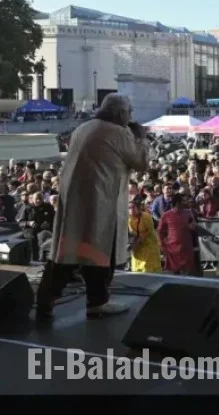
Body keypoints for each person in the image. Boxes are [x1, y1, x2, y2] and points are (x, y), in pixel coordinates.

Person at [36, 94, 150, 319]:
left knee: (66, 253)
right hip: (100, 202)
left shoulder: (83, 127)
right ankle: (97, 302)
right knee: (99, 250)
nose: (130, 116)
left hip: (75, 202)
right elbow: (141, 162)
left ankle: (44, 302)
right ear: (120, 114)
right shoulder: (118, 132)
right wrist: (141, 138)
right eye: (129, 112)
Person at [157, 193, 197, 275]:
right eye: (183, 201)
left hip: (186, 246)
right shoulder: (166, 215)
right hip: (173, 247)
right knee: (175, 272)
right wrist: (161, 244)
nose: (186, 202)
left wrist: (192, 225)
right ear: (178, 203)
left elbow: (193, 224)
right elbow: (160, 230)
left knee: (188, 271)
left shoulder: (189, 212)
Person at [128, 200, 161, 273]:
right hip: (137, 248)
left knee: (149, 269)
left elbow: (149, 231)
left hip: (149, 246)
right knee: (137, 270)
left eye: (133, 207)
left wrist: (138, 241)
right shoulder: (129, 219)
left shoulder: (146, 216)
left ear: (138, 208)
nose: (131, 210)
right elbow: (131, 233)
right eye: (129, 208)